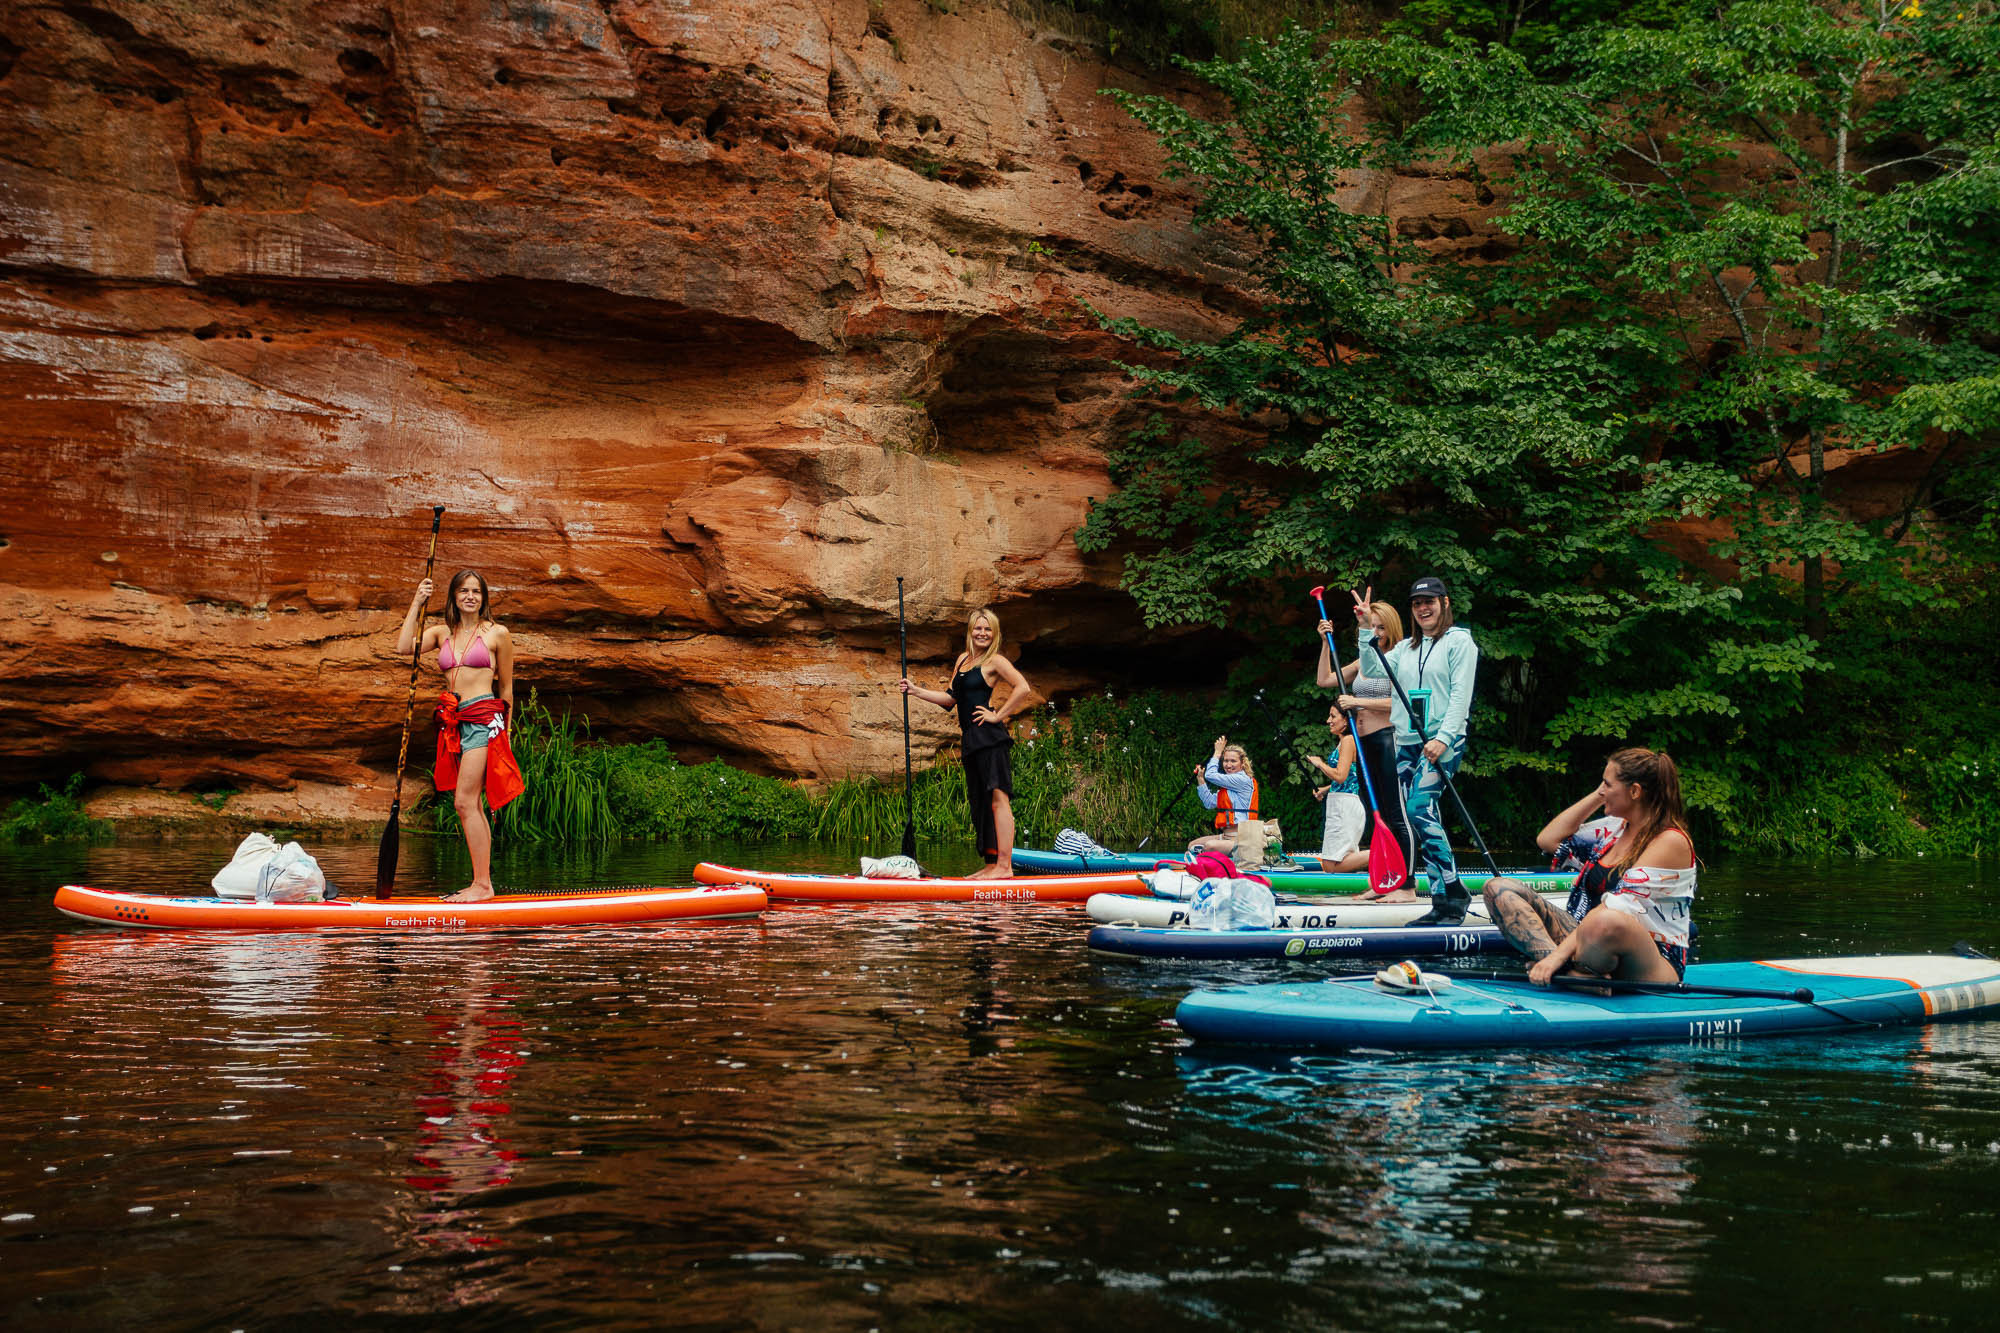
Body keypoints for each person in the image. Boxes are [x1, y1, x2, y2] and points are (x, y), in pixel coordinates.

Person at [1483, 748, 1696, 985]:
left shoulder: (1669, 840)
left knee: (1606, 918)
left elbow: (1619, 908)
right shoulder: (1615, 827)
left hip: (1651, 960)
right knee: (1498, 888)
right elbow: (1548, 840)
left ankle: (1565, 970)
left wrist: (1556, 956)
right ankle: (1568, 973)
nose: (1602, 790)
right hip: (1586, 940)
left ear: (1635, 791)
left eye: (1607, 784)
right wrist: (1600, 795)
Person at [1353, 577, 1480, 925]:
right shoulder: (1406, 647)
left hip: (1441, 740)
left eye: (1430, 601)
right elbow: (1373, 668)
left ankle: (1453, 890)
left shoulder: (1459, 642)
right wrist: (1366, 630)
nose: (1424, 608)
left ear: (1445, 603)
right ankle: (1442, 899)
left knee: (1419, 806)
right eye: (1417, 603)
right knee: (1421, 816)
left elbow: (1460, 696)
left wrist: (1445, 737)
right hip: (1406, 743)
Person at [396, 569, 521, 903]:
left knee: (465, 801)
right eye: (463, 591)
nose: (470, 596)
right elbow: (402, 647)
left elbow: (507, 688)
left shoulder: (497, 634)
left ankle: (482, 885)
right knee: (470, 803)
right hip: (454, 722)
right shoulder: (440, 633)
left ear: (484, 597)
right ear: (453, 596)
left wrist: (505, 735)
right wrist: (416, 601)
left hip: (484, 718)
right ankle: (482, 883)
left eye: (476, 591)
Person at [898, 607, 1035, 878]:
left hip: (990, 738)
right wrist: (915, 691)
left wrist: (998, 715)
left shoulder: (995, 661)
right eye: (978, 628)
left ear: (994, 634)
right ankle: (990, 866)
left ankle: (1005, 868)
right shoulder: (963, 661)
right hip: (971, 739)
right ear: (971, 631)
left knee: (998, 799)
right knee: (980, 803)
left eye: (988, 629)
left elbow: (1023, 687)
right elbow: (950, 700)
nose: (982, 633)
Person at [1316, 600, 1418, 896]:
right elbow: (1325, 680)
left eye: (1381, 627)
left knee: (1396, 814)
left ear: (1392, 629)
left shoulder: (1399, 659)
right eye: (1371, 626)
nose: (1376, 632)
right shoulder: (1365, 660)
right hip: (1364, 746)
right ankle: (1385, 882)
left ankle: (1408, 886)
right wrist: (1325, 643)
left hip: (1388, 739)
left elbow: (1403, 701)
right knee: (1380, 817)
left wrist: (1359, 702)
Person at [1305, 707, 1368, 873]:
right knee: (1335, 863)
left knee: (1331, 865)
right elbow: (1349, 776)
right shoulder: (1345, 740)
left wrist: (1320, 764)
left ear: (1346, 720)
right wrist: (1325, 789)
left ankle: (1384, 854)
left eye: (1333, 716)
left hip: (1344, 806)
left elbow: (1340, 776)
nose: (1328, 720)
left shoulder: (1348, 740)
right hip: (1342, 803)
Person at [1185, 737, 1261, 859]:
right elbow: (1209, 803)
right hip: (1226, 837)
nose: (1228, 765)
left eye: (1233, 761)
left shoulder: (1242, 780)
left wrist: (1217, 752)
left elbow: (1211, 774)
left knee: (1210, 846)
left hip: (1243, 840)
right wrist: (1201, 779)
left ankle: (1212, 857)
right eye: (1225, 761)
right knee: (1192, 845)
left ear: (1242, 763)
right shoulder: (1227, 787)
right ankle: (1211, 856)